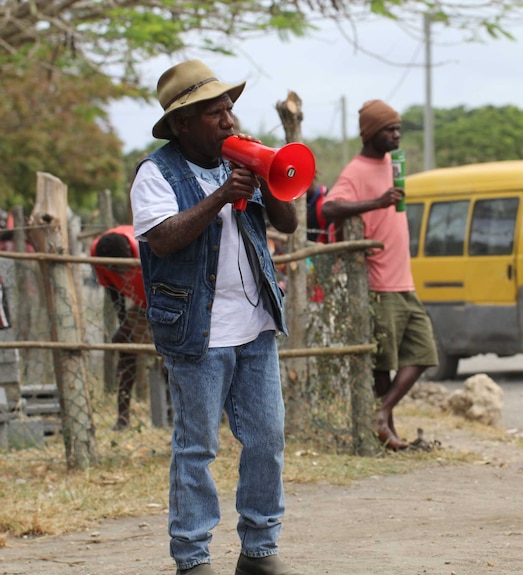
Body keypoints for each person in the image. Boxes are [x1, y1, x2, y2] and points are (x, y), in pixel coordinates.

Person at [129, 60, 300, 575]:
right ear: (182, 123)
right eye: (213, 112)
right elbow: (163, 238)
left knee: (267, 441)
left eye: (230, 108)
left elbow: (288, 224)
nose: (228, 120)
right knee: (197, 448)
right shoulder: (156, 173)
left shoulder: (238, 162)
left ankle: (260, 550)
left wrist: (269, 177)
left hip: (254, 327)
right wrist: (223, 195)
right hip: (196, 332)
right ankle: (193, 557)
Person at [320, 99, 438, 450]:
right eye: (390, 129)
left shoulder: (392, 163)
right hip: (379, 281)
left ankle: (381, 414)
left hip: (404, 280)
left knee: (423, 351)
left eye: (398, 128)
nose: (397, 135)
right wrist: (377, 202)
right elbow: (329, 207)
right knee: (383, 365)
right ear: (371, 133)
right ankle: (386, 433)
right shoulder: (356, 171)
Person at [89, 225, 150, 430]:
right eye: (115, 270)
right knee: (123, 342)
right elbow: (112, 289)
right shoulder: (97, 252)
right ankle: (122, 417)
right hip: (141, 305)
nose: (120, 274)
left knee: (171, 358)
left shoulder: (145, 246)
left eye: (123, 269)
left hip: (164, 301)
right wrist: (125, 321)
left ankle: (176, 413)